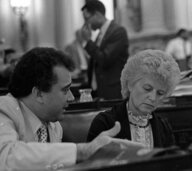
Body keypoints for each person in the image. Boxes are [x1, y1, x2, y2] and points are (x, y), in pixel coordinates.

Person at [0, 47, 142, 170]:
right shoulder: (4, 110)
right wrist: (84, 151)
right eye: (65, 90)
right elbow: (6, 157)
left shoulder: (53, 125)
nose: (71, 98)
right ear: (38, 93)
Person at [87, 49, 181, 148]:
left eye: (160, 93)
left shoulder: (163, 127)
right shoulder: (104, 123)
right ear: (130, 84)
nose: (153, 98)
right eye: (147, 89)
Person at [81, 0, 129, 100]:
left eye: (87, 18)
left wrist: (88, 42)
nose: (86, 23)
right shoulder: (100, 34)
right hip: (100, 89)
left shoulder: (118, 31)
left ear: (97, 15)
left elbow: (105, 59)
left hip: (113, 90)